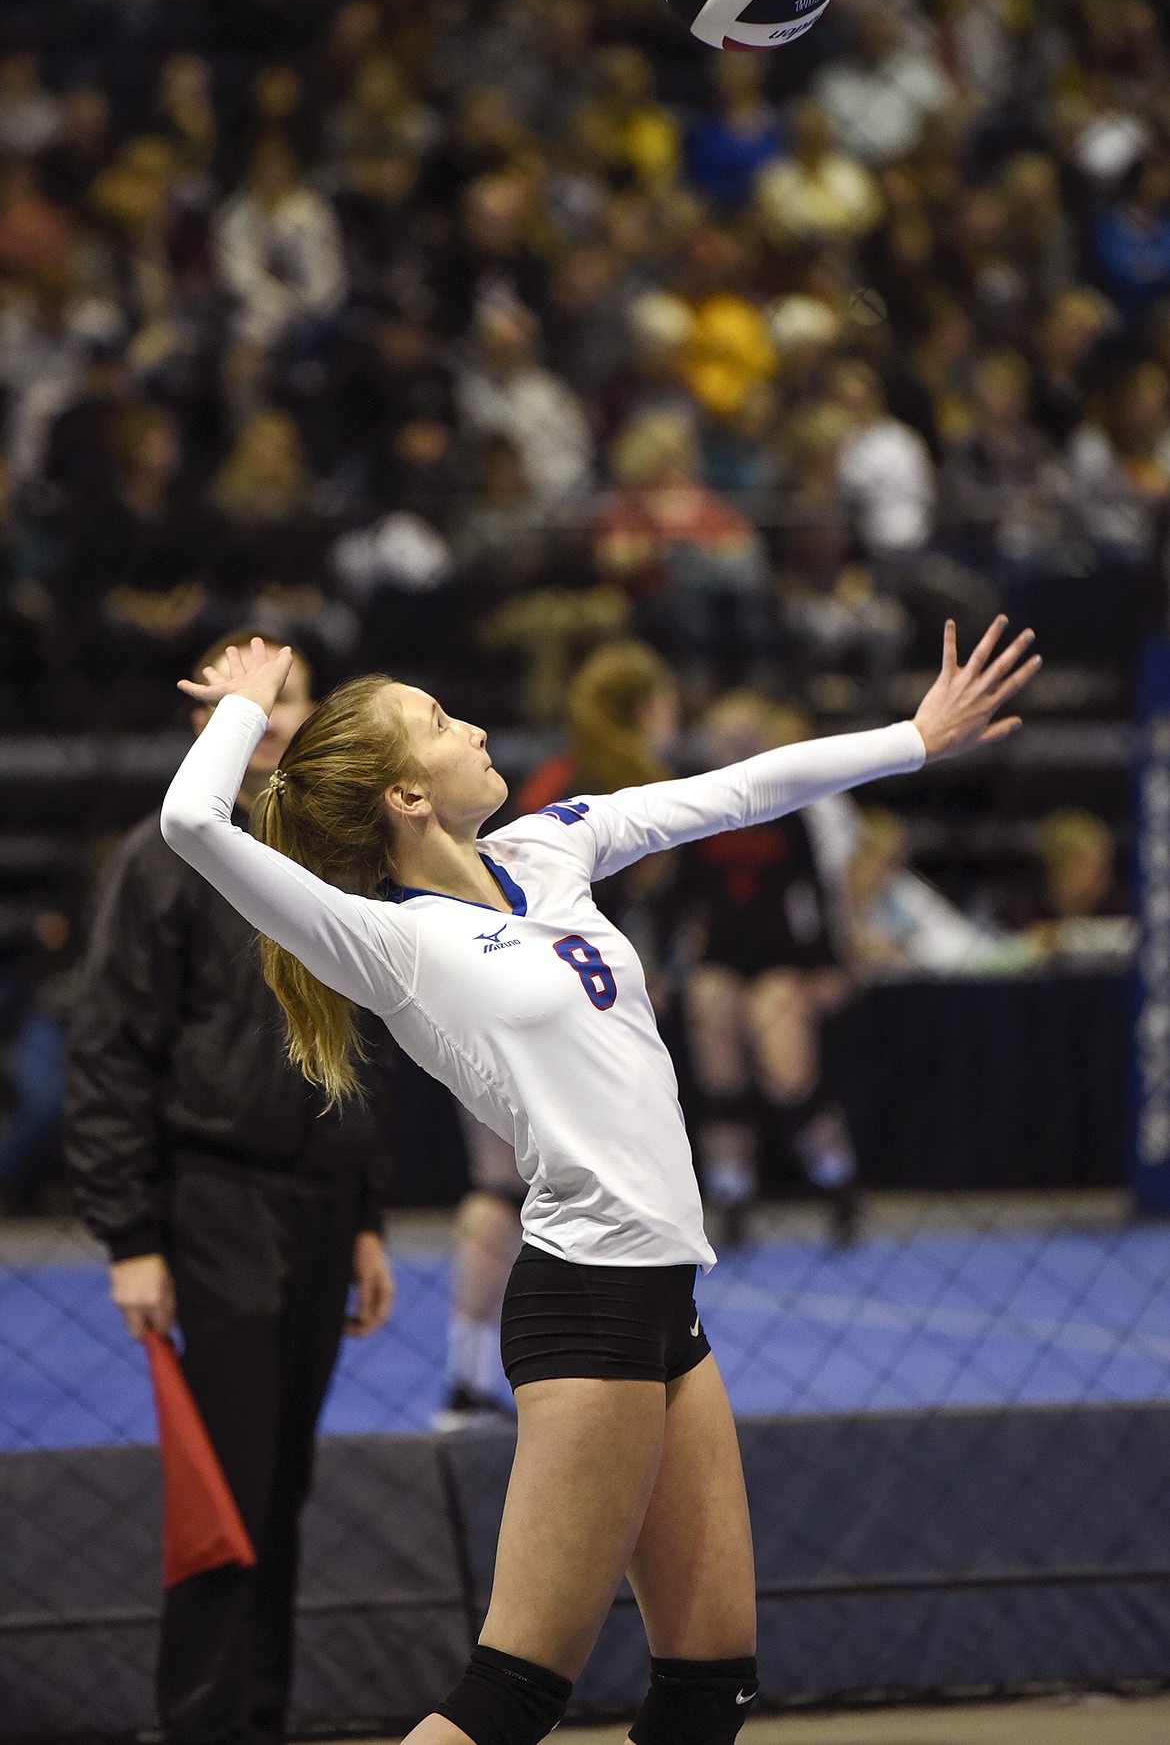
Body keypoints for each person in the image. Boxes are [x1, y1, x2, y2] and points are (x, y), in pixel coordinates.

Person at [158, 613, 1038, 1745]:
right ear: (405, 799)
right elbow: (192, 819)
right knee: (512, 1691)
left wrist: (911, 738)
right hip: (589, 1298)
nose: (472, 725)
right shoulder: (385, 941)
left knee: (710, 1682)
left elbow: (731, 791)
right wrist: (245, 697)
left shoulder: (548, 846)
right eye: (436, 722)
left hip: (664, 1300)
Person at [63, 630, 395, 1745]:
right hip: (214, 1202)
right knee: (227, 1494)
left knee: (283, 1488)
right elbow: (110, 1049)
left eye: (294, 696)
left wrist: (363, 1218)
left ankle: (259, 1715)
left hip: (314, 1205)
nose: (280, 715)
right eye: (258, 699)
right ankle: (203, 1723)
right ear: (213, 715)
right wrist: (130, 1236)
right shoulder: (159, 861)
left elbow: (352, 1053)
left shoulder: (335, 857)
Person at [436, 641, 680, 1427]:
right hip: (553, 1014)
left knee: (505, 1191)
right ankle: (580, 1374)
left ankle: (470, 1374)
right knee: (555, 1195)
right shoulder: (626, 786)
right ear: (647, 708)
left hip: (486, 989)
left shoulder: (551, 781)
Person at [680, 692, 860, 1249]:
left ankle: (838, 1183)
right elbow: (674, 899)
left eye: (747, 738)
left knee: (788, 1073)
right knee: (716, 1044)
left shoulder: (788, 809)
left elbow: (821, 896)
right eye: (726, 739)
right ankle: (731, 1193)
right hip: (721, 960)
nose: (736, 748)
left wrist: (834, 966)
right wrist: (655, 965)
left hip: (781, 959)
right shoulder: (694, 806)